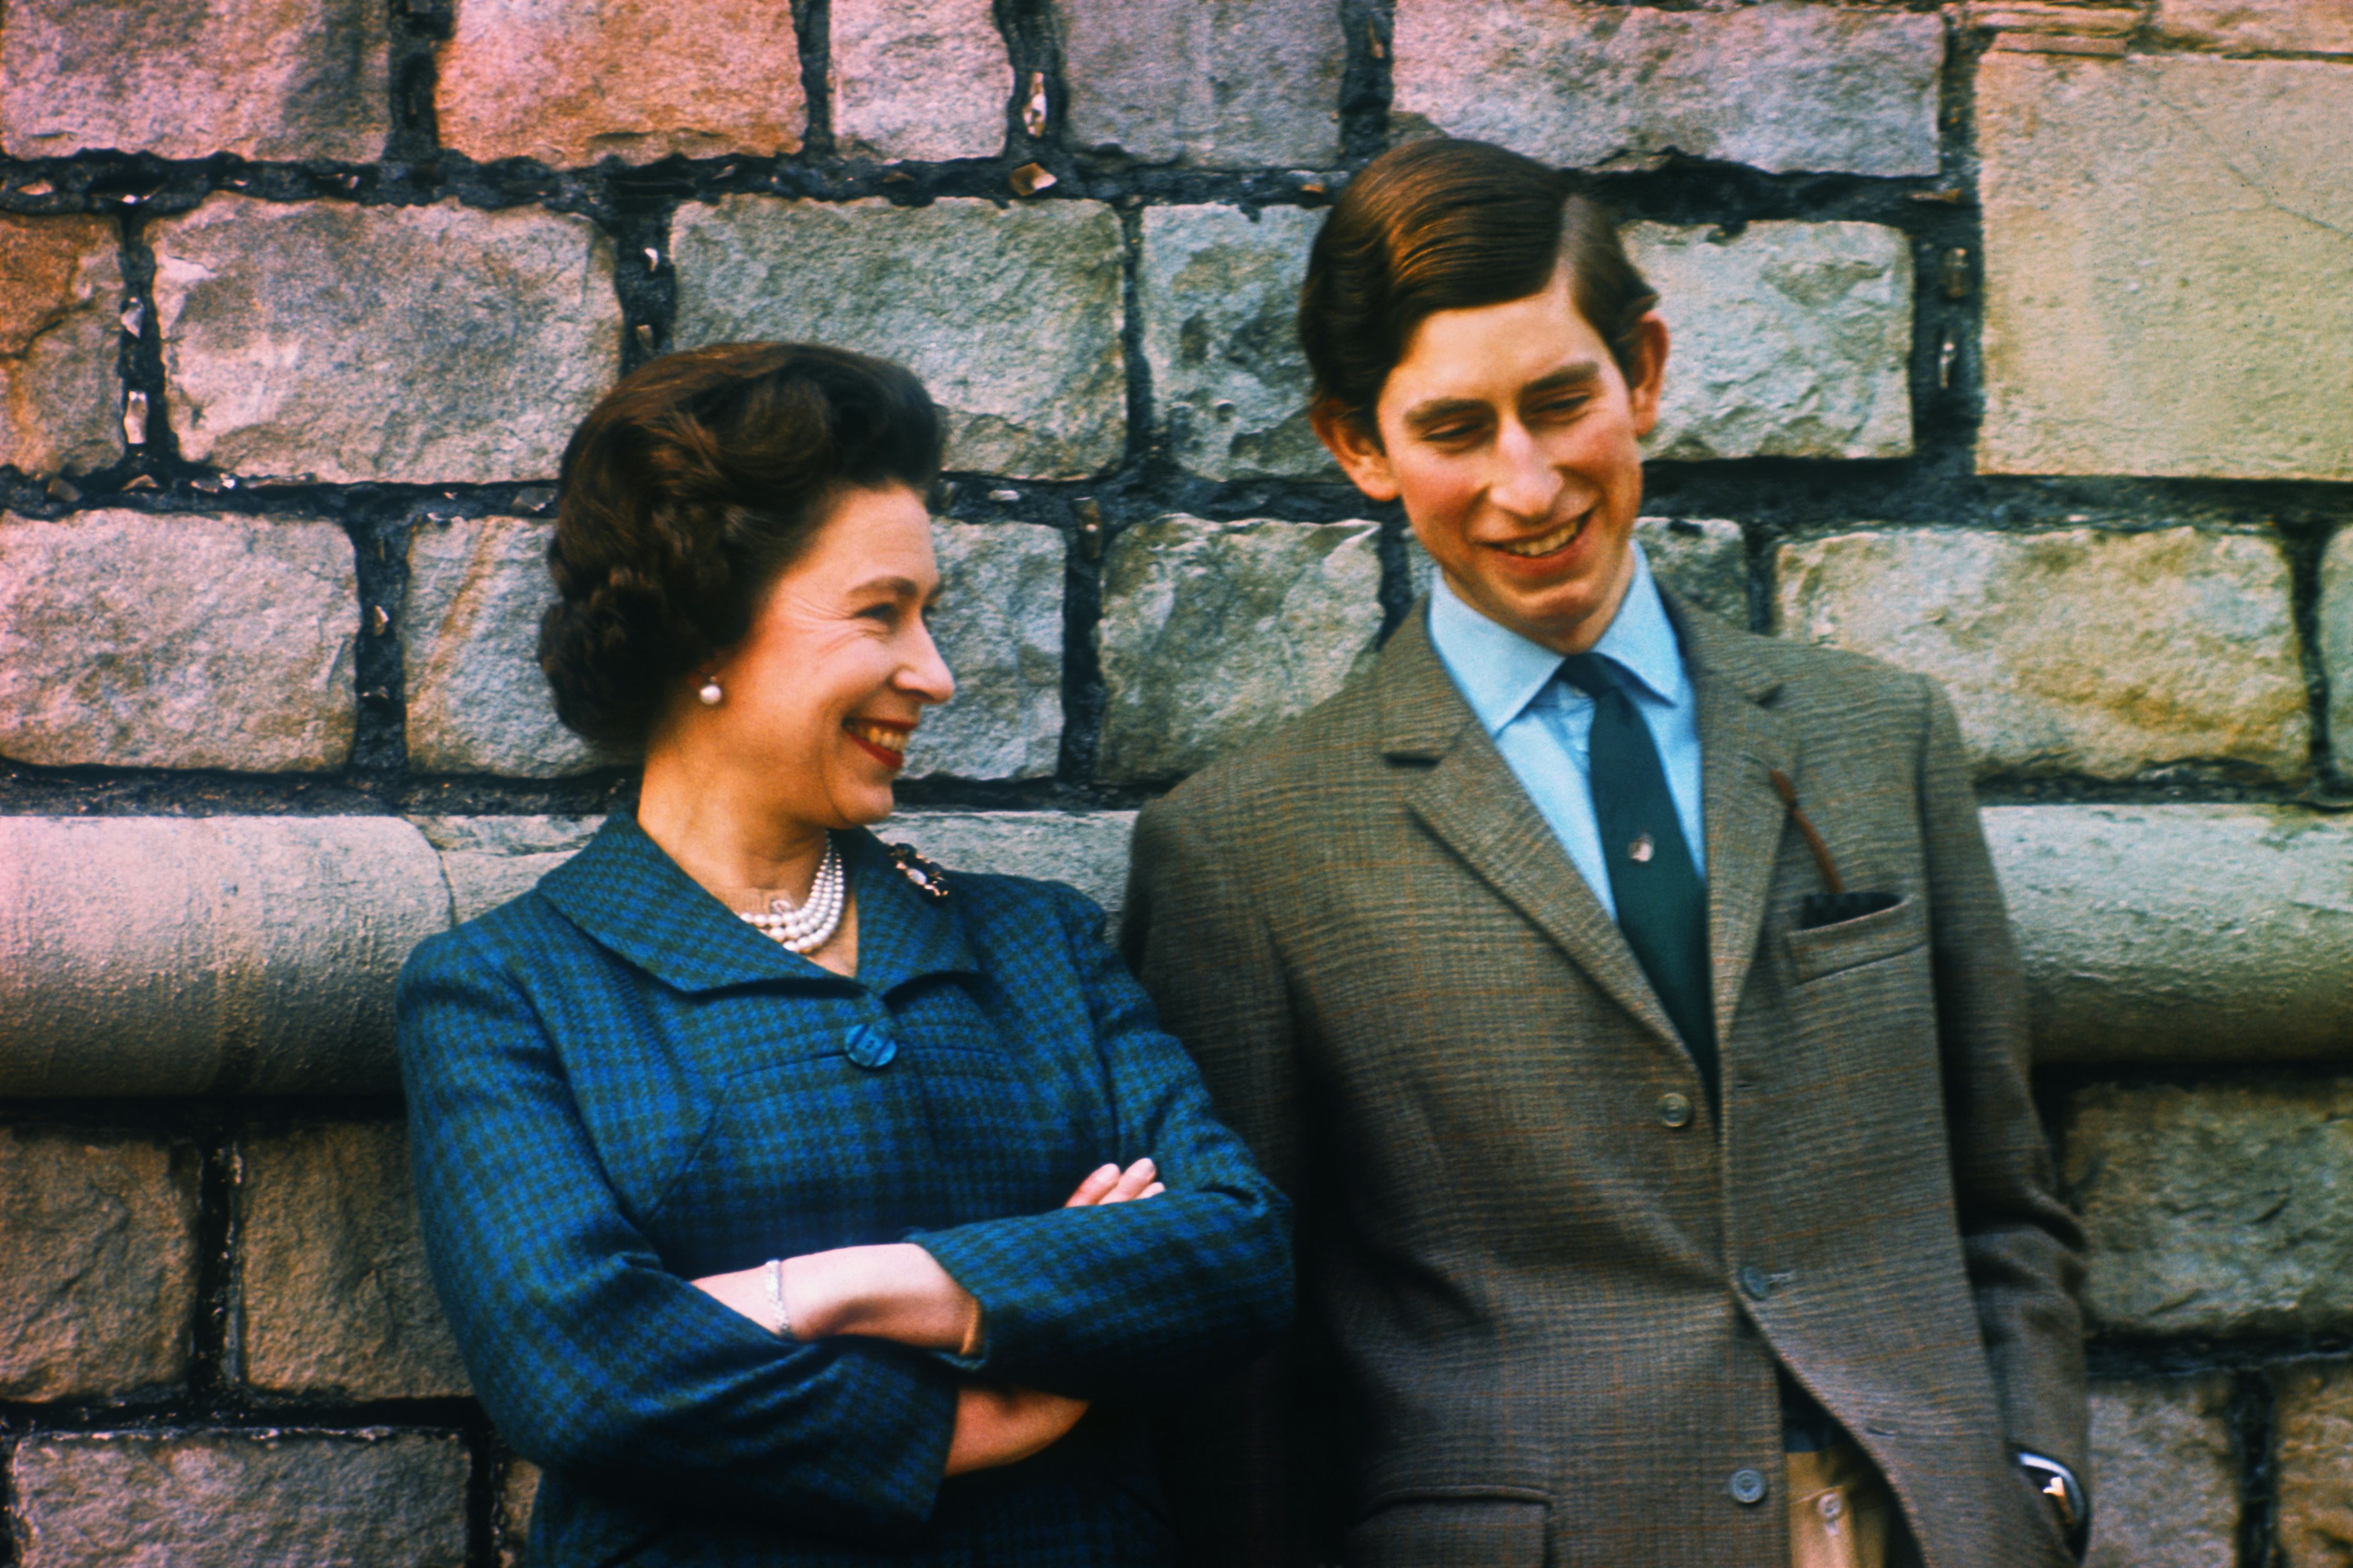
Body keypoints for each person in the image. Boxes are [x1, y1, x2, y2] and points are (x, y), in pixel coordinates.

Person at [1123, 139, 2089, 1568]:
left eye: (1561, 402)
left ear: (1639, 371)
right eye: (1455, 428)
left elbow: (2002, 1189)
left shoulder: (1878, 736)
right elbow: (1243, 1360)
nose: (1528, 483)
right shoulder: (1246, 850)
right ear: (1360, 447)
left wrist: (2037, 1478)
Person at [397, 342, 1292, 1566]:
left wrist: (843, 1288)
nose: (934, 672)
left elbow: (1235, 1248)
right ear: (708, 627)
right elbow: (586, 1371)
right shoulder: (507, 991)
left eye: (927, 616)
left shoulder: (1035, 940)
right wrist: (990, 1392)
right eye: (881, 612)